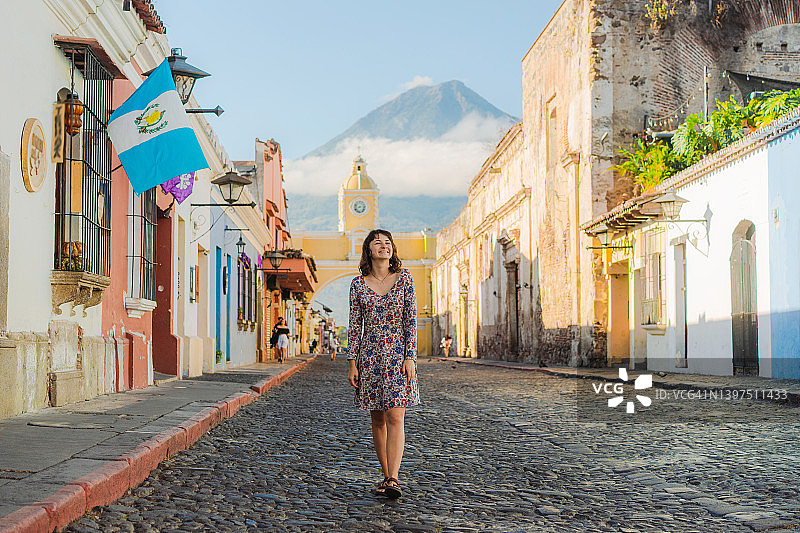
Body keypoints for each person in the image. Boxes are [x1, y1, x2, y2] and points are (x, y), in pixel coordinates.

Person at [348, 229, 419, 499]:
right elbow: (355, 326)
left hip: (398, 356)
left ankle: (394, 477)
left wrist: (410, 356)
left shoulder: (405, 279)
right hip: (370, 357)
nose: (384, 246)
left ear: (392, 249)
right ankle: (386, 475)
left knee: (396, 416)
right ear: (368, 249)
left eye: (388, 242)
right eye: (377, 242)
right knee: (378, 419)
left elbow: (410, 320)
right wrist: (352, 362)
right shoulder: (357, 284)